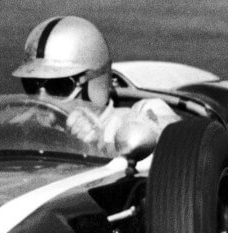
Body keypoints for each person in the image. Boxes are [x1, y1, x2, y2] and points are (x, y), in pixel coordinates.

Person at [11, 16, 182, 155]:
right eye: (31, 85)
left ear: (94, 83)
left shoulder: (141, 115)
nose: (41, 99)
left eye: (58, 86)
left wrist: (101, 145)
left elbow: (173, 148)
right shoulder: (23, 125)